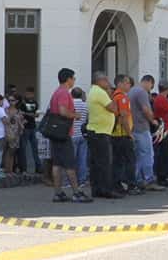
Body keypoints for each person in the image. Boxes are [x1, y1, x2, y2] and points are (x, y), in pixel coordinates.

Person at [46, 68, 90, 202]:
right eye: (74, 78)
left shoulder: (55, 93)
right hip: (64, 133)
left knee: (57, 164)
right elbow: (63, 111)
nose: (74, 81)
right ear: (68, 79)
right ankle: (76, 192)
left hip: (54, 133)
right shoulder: (64, 93)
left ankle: (58, 192)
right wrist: (75, 115)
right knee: (70, 164)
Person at [86, 72, 122, 199]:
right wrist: (109, 93)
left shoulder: (93, 91)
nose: (108, 83)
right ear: (99, 81)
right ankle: (106, 189)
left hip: (96, 131)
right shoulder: (100, 92)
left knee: (96, 163)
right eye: (106, 80)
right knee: (105, 162)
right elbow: (113, 108)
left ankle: (97, 189)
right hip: (100, 132)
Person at [129, 74, 163, 192]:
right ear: (149, 82)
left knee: (138, 156)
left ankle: (137, 180)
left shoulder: (131, 91)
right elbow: (146, 109)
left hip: (133, 127)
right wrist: (153, 121)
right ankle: (149, 179)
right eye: (151, 86)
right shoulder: (142, 92)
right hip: (142, 127)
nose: (150, 89)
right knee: (148, 154)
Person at [112, 75, 137, 194]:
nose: (129, 85)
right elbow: (124, 116)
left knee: (118, 161)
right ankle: (130, 185)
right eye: (127, 83)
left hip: (115, 134)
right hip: (122, 134)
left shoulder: (113, 96)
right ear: (120, 83)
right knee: (129, 160)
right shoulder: (122, 98)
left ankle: (118, 185)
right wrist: (129, 133)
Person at [18, 86, 40, 177]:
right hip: (25, 127)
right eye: (27, 93)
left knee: (35, 148)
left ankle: (38, 168)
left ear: (33, 94)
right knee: (23, 148)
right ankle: (24, 168)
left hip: (33, 127)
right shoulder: (22, 103)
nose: (28, 95)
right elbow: (21, 114)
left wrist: (28, 114)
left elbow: (37, 115)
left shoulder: (35, 103)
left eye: (30, 93)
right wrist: (31, 115)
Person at [71, 86, 89, 185]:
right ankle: (82, 180)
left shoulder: (70, 104)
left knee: (71, 159)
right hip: (82, 134)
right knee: (82, 159)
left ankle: (70, 181)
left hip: (72, 134)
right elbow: (87, 119)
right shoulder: (85, 105)